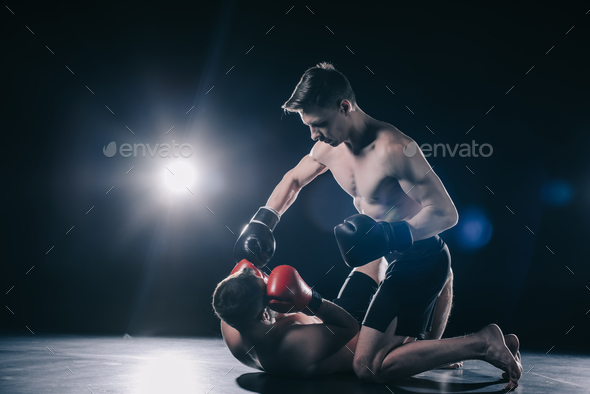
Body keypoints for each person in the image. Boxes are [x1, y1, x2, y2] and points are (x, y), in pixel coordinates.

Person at [212, 261, 522, 389]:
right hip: (359, 337)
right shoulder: (289, 347)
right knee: (437, 273)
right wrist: (311, 300)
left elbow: (241, 290)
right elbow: (348, 328)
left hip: (331, 327)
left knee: (371, 260)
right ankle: (481, 342)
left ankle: (433, 346)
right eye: (265, 285)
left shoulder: (232, 318)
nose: (267, 279)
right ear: (266, 315)